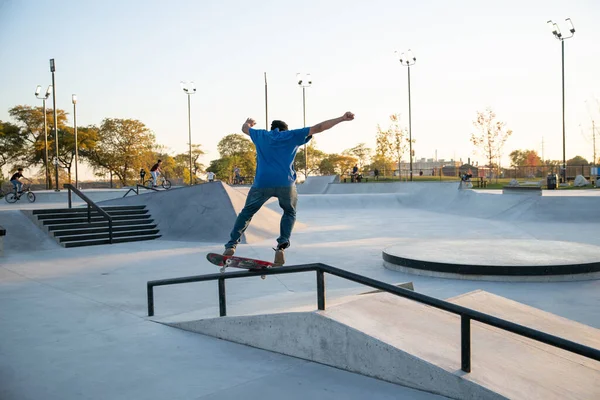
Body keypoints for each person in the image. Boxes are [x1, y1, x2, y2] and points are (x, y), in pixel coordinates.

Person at [224, 111, 355, 266]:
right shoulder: (292, 135)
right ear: (285, 129)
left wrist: (250, 123)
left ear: (272, 129)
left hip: (262, 183)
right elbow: (319, 127)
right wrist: (341, 118)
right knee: (289, 212)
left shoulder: (261, 135)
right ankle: (281, 246)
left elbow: (244, 129)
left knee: (247, 213)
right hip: (285, 184)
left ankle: (231, 245)